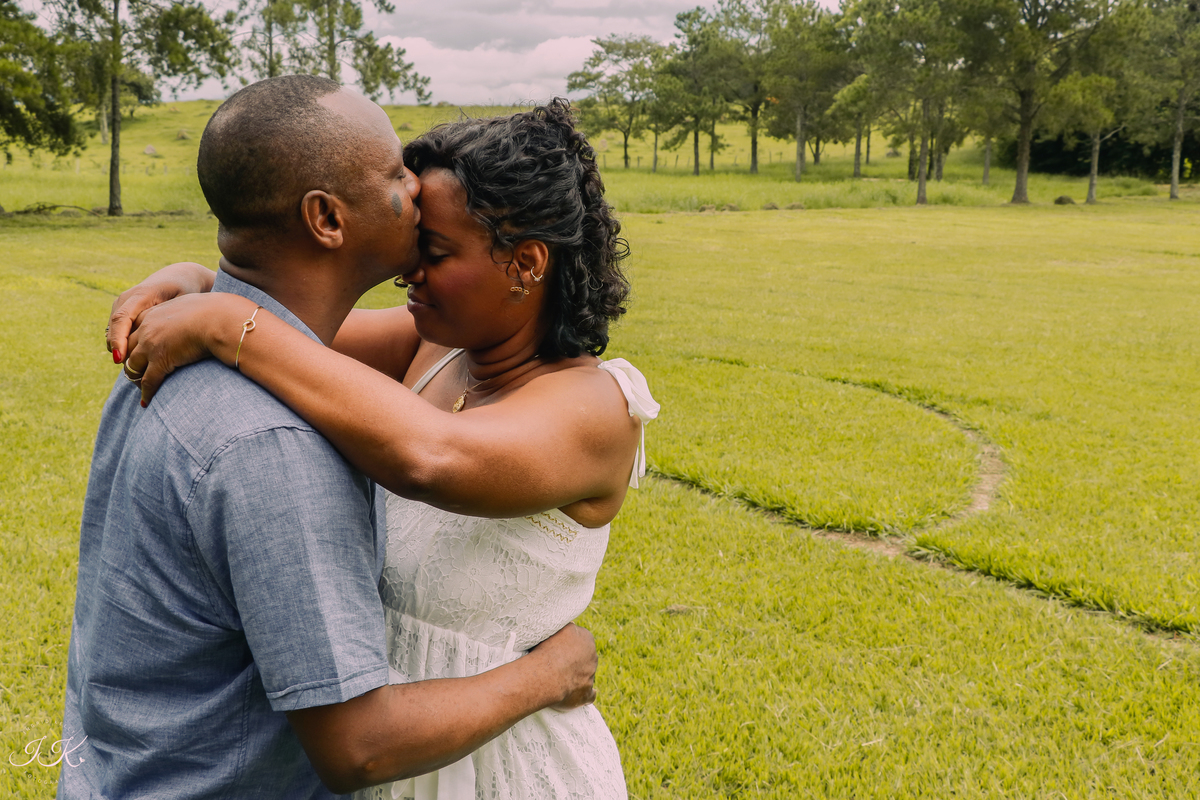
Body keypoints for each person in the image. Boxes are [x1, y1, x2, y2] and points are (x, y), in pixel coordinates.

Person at [61, 76, 599, 800]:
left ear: (527, 262)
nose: (412, 191)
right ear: (326, 218)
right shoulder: (274, 437)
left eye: (441, 247)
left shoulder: (173, 353)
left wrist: (216, 304)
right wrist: (548, 674)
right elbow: (360, 747)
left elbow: (430, 449)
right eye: (396, 175)